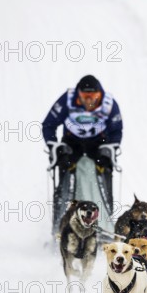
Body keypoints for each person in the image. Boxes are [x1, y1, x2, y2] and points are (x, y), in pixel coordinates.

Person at [42, 75, 123, 231]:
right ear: (78, 94)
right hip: (72, 143)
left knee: (105, 173)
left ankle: (105, 226)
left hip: (98, 143)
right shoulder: (67, 100)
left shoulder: (109, 104)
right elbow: (48, 125)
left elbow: (116, 130)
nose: (89, 100)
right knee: (64, 176)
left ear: (100, 94)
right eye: (85, 96)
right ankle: (60, 228)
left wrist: (110, 149)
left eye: (94, 96)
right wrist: (55, 147)